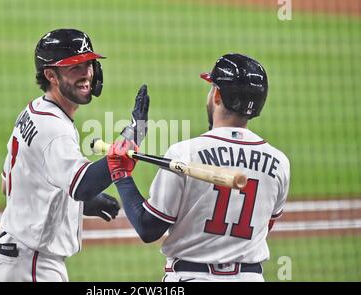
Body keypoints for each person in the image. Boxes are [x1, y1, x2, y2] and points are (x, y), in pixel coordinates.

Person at [0, 28, 149, 282]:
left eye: (88, 64)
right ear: (50, 75)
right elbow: (83, 185)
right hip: (32, 265)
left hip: (14, 258)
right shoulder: (55, 129)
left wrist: (76, 205)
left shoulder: (33, 110)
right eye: (74, 68)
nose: (86, 74)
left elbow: (8, 182)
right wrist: (132, 138)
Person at [108, 53, 290, 282]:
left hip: (191, 277)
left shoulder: (185, 153)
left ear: (217, 95)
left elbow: (148, 228)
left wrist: (121, 175)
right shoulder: (279, 162)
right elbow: (263, 227)